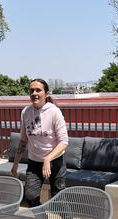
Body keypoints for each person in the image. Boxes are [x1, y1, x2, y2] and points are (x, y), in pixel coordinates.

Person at [11, 79, 68, 207]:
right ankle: (42, 217)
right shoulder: (26, 112)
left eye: (38, 90)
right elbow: (23, 141)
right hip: (34, 162)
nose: (34, 93)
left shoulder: (54, 112)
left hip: (55, 162)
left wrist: (48, 159)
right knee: (30, 196)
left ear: (46, 94)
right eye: (31, 91)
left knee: (59, 200)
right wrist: (15, 164)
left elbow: (64, 142)